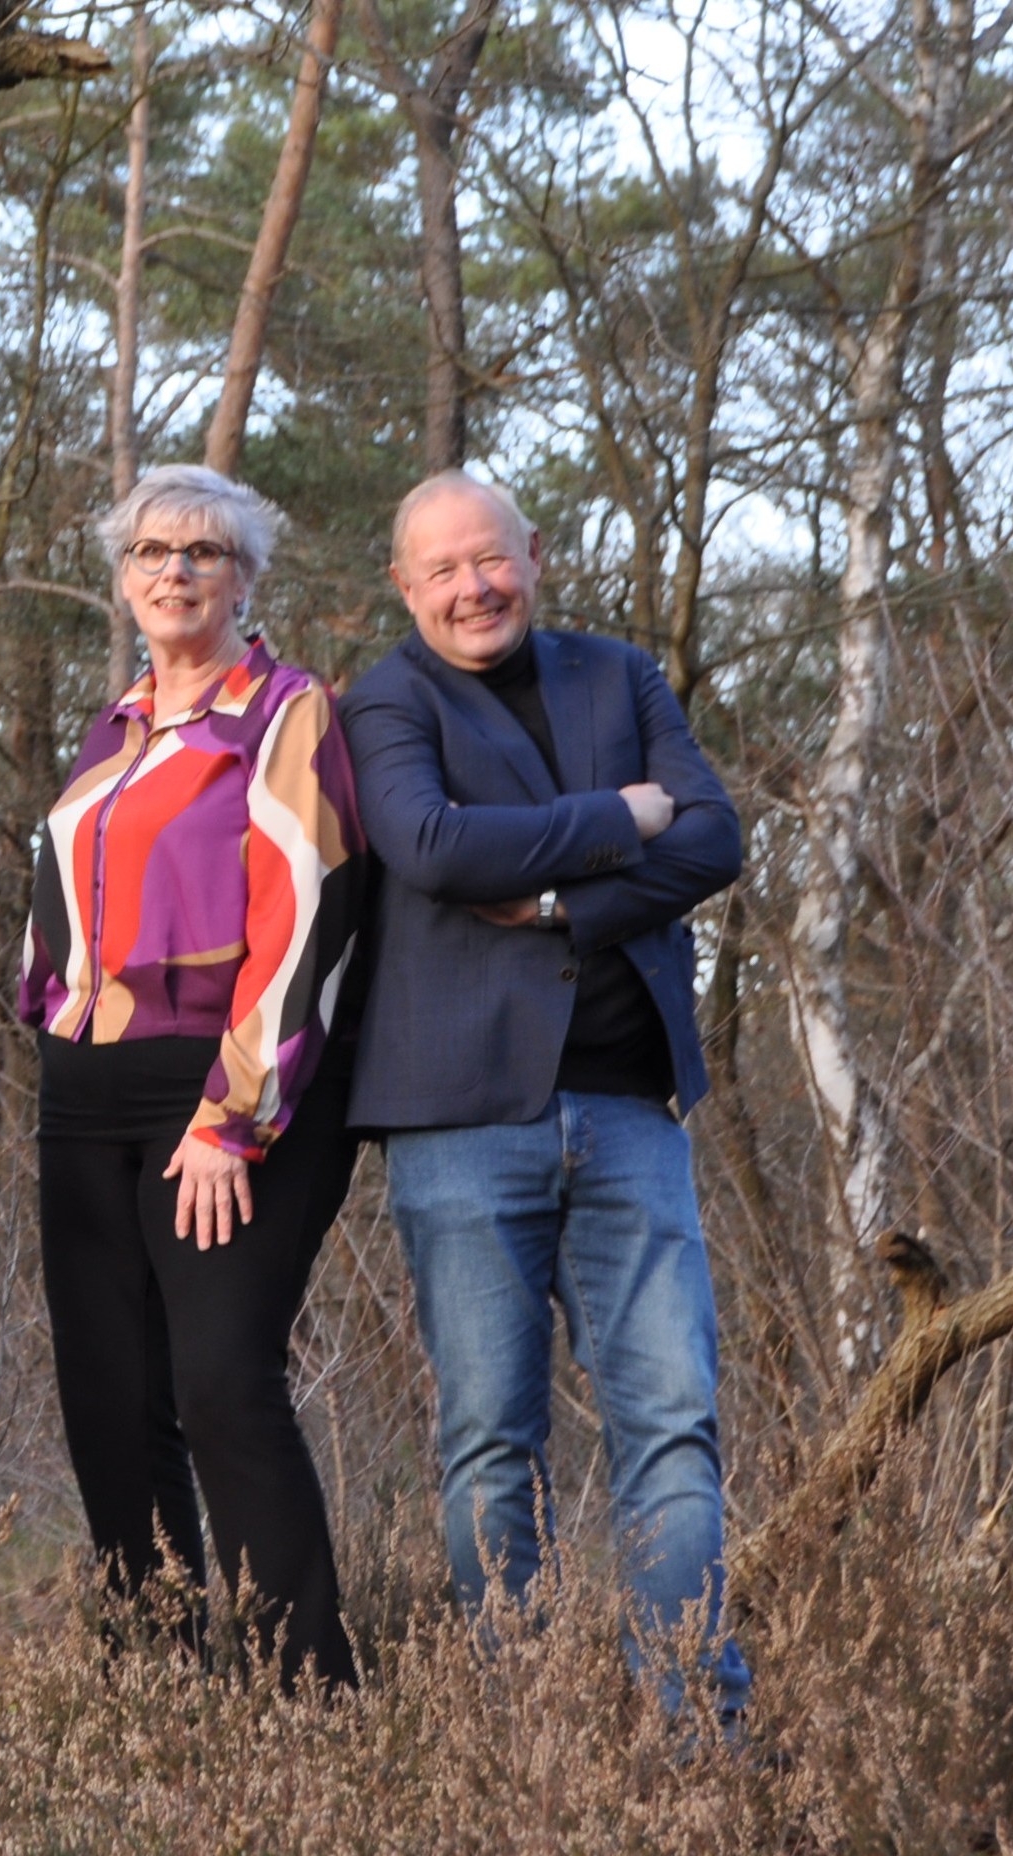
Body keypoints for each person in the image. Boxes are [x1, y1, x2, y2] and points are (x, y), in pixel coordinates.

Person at [342, 470, 752, 1721]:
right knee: (487, 1443)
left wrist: (567, 894)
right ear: (405, 587)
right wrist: (619, 815)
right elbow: (432, 847)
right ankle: (532, 1740)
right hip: (461, 1116)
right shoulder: (382, 697)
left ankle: (694, 1734)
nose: (474, 588)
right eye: (443, 571)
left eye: (492, 559)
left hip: (630, 1108)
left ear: (533, 553)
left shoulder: (618, 673)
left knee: (672, 1426)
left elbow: (716, 837)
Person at [17, 465, 368, 1688]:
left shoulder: (283, 708)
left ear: (244, 576)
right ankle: (155, 1682)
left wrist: (233, 1113)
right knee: (110, 1407)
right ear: (122, 578)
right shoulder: (108, 727)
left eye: (203, 552)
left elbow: (307, 911)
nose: (175, 570)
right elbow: (60, 891)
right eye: (152, 551)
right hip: (84, 1089)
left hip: (219, 1092)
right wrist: (46, 1004)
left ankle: (306, 1691)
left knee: (221, 1385)